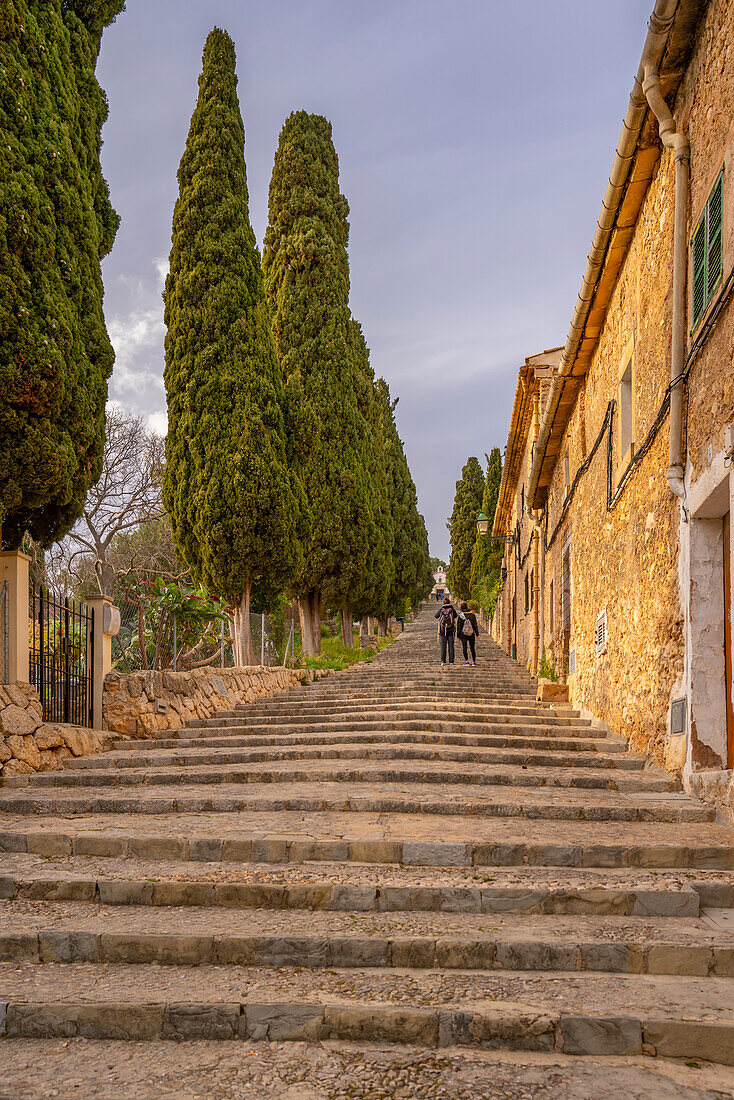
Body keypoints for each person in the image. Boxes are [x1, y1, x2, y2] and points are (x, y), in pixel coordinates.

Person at [435, 594, 457, 665]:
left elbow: (436, 616)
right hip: (451, 629)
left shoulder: (442, 609)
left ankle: (443, 661)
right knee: (451, 646)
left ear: (443, 603)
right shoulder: (452, 609)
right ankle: (451, 661)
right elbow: (456, 616)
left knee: (443, 646)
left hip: (442, 630)